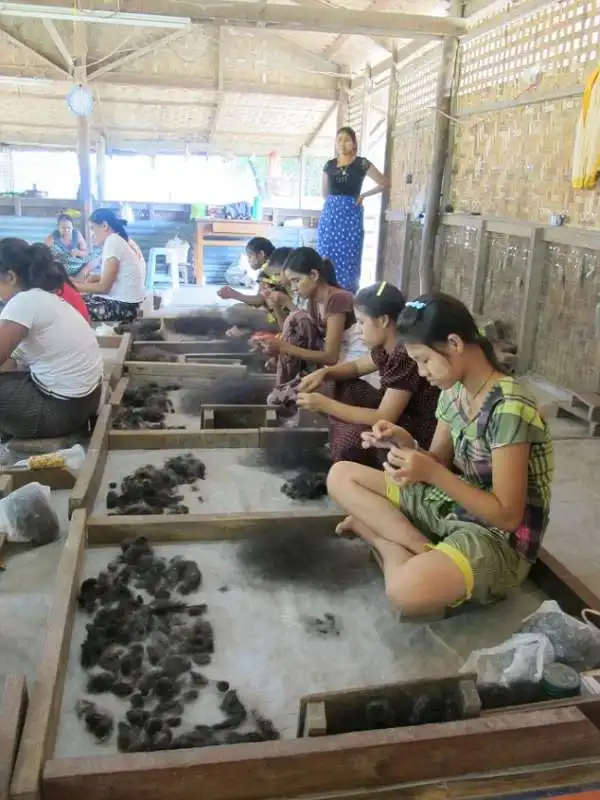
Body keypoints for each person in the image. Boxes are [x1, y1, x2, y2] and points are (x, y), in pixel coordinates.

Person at [327, 293, 553, 617]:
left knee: (404, 591)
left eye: (424, 360)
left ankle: (381, 538)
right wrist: (402, 443)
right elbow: (438, 461)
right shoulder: (454, 392)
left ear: (455, 343)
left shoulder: (509, 409)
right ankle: (422, 548)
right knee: (341, 475)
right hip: (455, 506)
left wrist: (432, 474)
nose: (420, 372)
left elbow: (507, 516)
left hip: (498, 541)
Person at [297, 281, 439, 466]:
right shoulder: (386, 347)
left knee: (350, 442)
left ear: (383, 320)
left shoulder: (404, 353)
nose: (357, 329)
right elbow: (356, 368)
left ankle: (353, 455)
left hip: (416, 429)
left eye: (362, 322)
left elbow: (385, 416)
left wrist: (325, 405)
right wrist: (325, 373)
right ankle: (345, 433)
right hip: (399, 416)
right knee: (336, 384)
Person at [0, 238, 103, 439]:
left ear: (10, 277)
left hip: (60, 412)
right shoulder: (45, 298)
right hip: (87, 402)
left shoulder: (23, 301)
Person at [260, 247, 357, 411]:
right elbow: (302, 335)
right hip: (332, 365)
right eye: (291, 282)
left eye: (296, 280)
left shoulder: (337, 299)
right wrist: (277, 349)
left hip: (351, 365)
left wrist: (284, 347)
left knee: (283, 398)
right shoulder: (314, 300)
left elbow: (331, 356)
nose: (294, 287)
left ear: (314, 275)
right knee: (296, 321)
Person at [317, 127, 387, 294]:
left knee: (349, 255)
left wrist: (363, 195)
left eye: (347, 139)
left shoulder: (361, 163)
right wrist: (333, 205)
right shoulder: (329, 165)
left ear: (354, 143)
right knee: (326, 253)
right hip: (331, 215)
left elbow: (384, 182)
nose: (342, 143)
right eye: (339, 139)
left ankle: (348, 298)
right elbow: (324, 193)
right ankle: (324, 293)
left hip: (351, 213)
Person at [73, 208, 146, 323]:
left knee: (70, 307)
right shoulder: (119, 239)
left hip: (124, 308)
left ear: (105, 225)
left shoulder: (113, 241)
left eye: (93, 228)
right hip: (128, 304)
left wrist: (74, 286)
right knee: (74, 300)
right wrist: (96, 278)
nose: (91, 234)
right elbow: (120, 276)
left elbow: (104, 288)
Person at [217, 237, 276, 331]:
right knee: (238, 308)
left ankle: (246, 330)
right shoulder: (275, 264)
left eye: (250, 256)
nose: (249, 260)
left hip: (276, 319)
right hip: (279, 314)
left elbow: (259, 300)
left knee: (232, 312)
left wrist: (234, 294)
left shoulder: (267, 270)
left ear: (261, 254)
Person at [45, 213, 90, 278]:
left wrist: (78, 253)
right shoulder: (53, 236)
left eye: (69, 228)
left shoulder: (77, 234)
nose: (66, 230)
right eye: (63, 228)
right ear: (58, 227)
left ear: (72, 227)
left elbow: (86, 253)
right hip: (61, 265)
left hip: (76, 263)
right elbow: (44, 252)